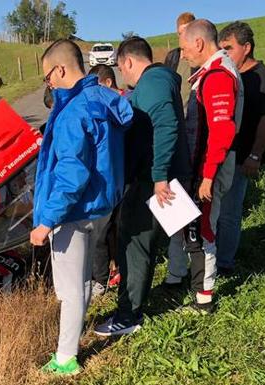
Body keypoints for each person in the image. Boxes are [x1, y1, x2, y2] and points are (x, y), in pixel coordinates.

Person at [31, 39, 133, 375]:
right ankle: (74, 337)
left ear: (59, 70)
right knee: (85, 279)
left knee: (69, 290)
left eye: (48, 77)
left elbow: (71, 174)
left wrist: (46, 221)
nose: (49, 83)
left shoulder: (72, 112)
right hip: (102, 207)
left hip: (72, 213)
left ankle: (65, 359)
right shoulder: (105, 98)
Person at [93, 36, 192, 336]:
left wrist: (160, 175)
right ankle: (192, 286)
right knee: (155, 241)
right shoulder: (158, 82)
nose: (124, 76)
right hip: (154, 176)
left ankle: (129, 316)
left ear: (127, 62)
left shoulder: (152, 83)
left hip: (153, 180)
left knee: (134, 243)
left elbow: (166, 123)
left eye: (122, 70)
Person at [165, 19, 243, 312]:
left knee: (203, 230)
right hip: (201, 166)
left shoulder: (218, 75)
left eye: (184, 48)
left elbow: (221, 130)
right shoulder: (210, 73)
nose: (182, 55)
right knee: (192, 228)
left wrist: (208, 176)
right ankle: (184, 278)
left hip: (208, 168)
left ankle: (204, 298)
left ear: (198, 43)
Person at [216, 22, 265, 275]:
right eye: (221, 49)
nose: (225, 54)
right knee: (219, 212)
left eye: (229, 48)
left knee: (230, 213)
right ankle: (215, 255)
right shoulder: (233, 76)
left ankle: (224, 264)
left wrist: (255, 155)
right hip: (225, 155)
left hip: (243, 158)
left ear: (247, 47)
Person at [87, 63, 125, 296]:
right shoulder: (120, 105)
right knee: (111, 230)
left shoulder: (117, 107)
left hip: (110, 181)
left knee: (101, 233)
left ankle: (100, 280)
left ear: (108, 83)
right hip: (115, 180)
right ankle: (114, 268)